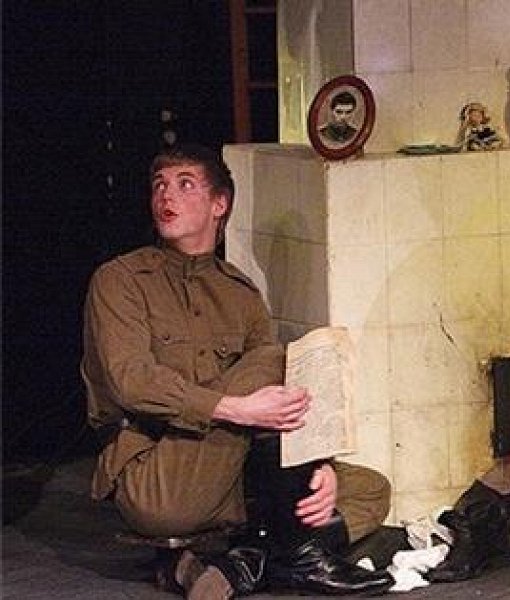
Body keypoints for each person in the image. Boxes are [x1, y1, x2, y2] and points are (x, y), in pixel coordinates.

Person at [81, 143, 395, 598]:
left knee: (370, 490)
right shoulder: (120, 280)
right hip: (160, 472)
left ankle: (249, 561)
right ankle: (287, 552)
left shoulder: (240, 294)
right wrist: (237, 409)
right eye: (159, 185)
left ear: (219, 204)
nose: (166, 196)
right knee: (272, 360)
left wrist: (318, 462)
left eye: (185, 184)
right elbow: (131, 382)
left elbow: (278, 404)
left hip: (229, 464)